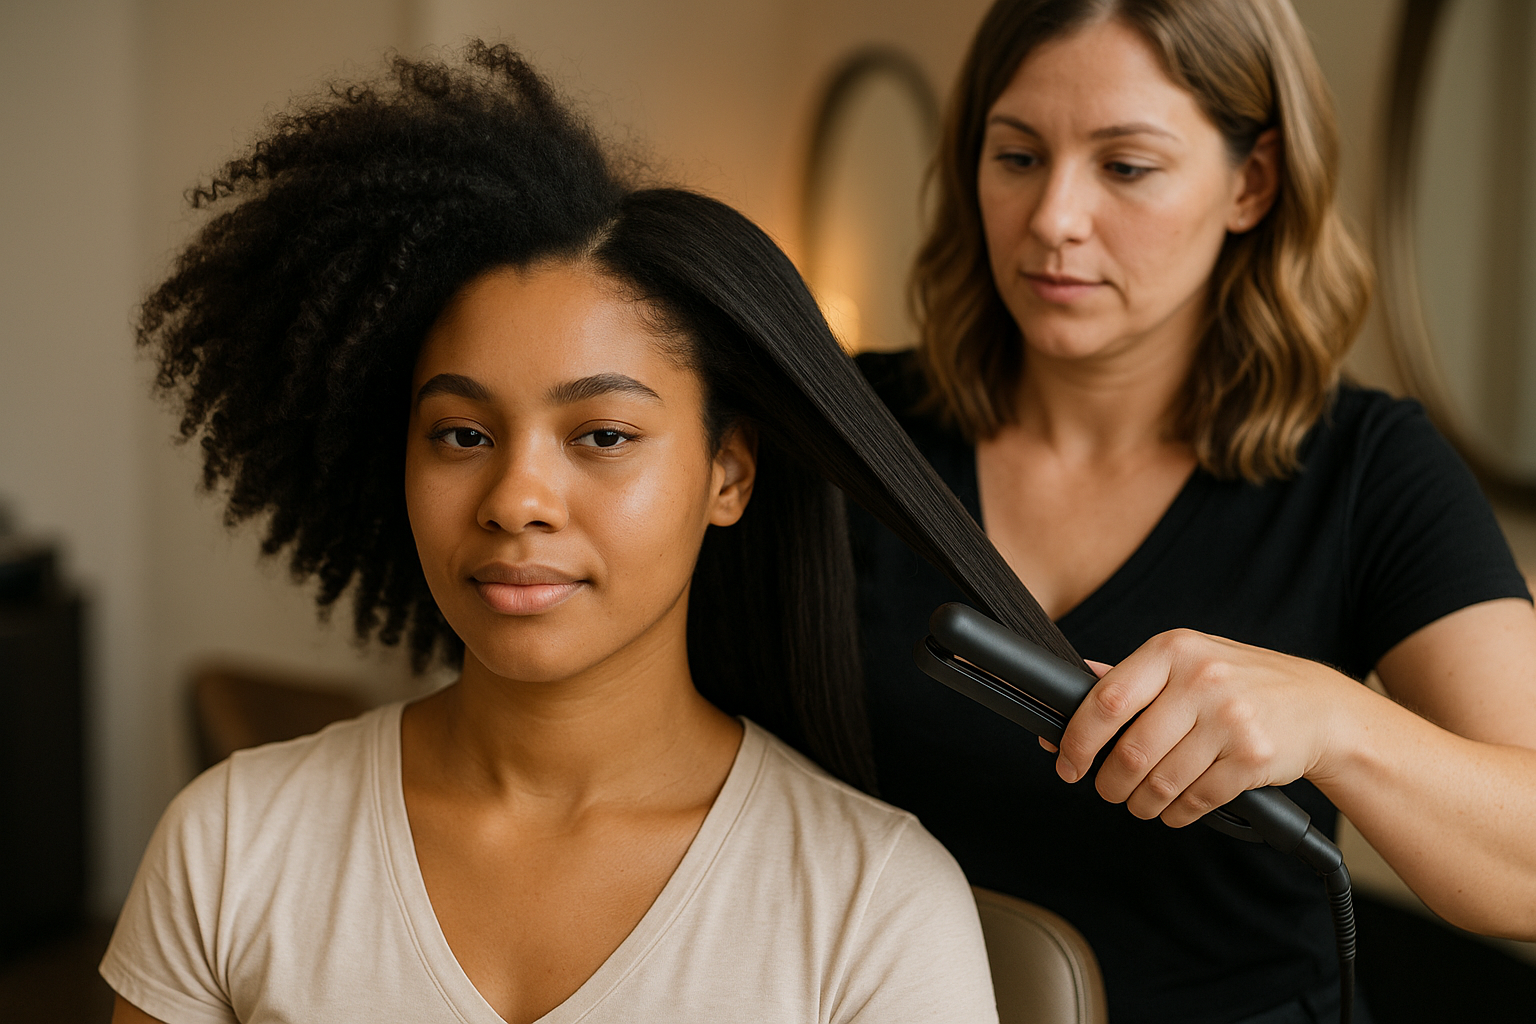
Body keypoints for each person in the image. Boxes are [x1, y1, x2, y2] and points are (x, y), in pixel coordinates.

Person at [100, 44, 1006, 1024]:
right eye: (462, 433)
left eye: (602, 435)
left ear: (728, 473)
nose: (515, 498)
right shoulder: (233, 844)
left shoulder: (875, 905)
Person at [849, 1, 1536, 1023]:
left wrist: (1336, 720)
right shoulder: (845, 432)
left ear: (1251, 182)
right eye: (1017, 155)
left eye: (1125, 166)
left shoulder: (1368, 468)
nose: (1053, 218)